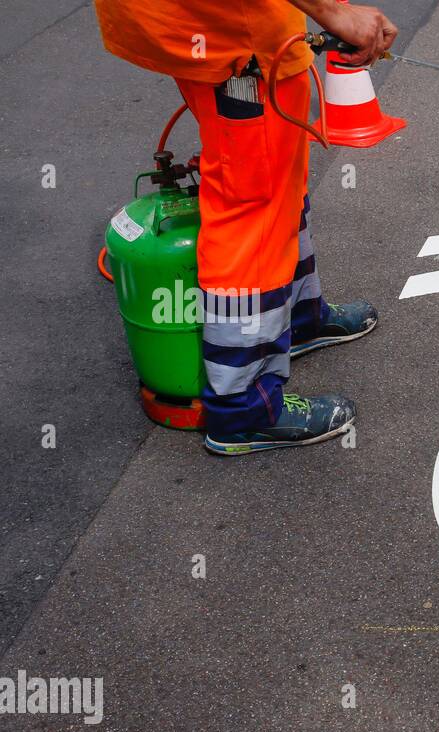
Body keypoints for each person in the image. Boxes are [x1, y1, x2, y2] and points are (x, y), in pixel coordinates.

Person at [93, 0, 397, 454]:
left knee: (276, 180)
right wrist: (334, 12)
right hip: (233, 38)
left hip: (214, 28)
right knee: (251, 207)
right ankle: (243, 406)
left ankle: (297, 318)